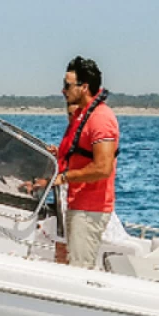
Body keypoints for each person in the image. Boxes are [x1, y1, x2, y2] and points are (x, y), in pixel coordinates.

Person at [52, 56, 120, 269]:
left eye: (67, 85)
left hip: (89, 209)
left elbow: (102, 168)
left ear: (84, 87)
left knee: (79, 270)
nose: (63, 90)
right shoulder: (82, 116)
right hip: (76, 203)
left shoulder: (100, 119)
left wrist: (64, 177)